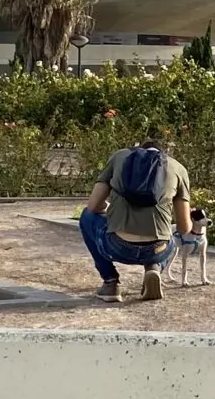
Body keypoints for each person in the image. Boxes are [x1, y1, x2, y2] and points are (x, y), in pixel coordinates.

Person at [80, 122, 194, 302]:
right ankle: (154, 267)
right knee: (170, 237)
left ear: (139, 150)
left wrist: (109, 210)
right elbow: (184, 227)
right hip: (158, 248)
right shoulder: (178, 168)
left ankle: (111, 283)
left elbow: (93, 206)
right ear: (164, 153)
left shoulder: (120, 157)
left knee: (86, 217)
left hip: (117, 246)